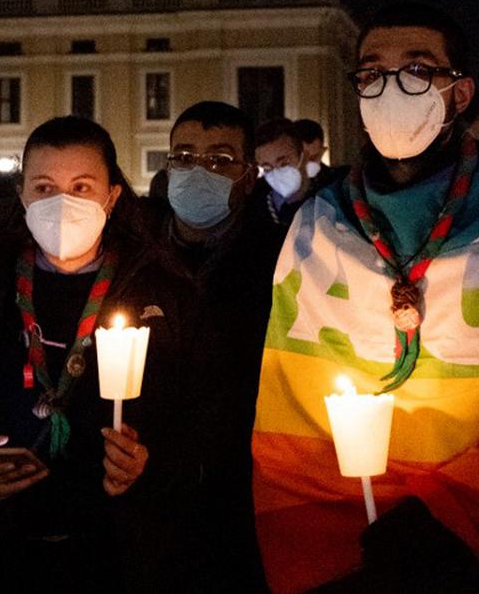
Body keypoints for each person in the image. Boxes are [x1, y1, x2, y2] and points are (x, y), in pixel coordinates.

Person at [251, 2, 479, 593]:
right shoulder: (318, 223)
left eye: (417, 70)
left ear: (460, 94)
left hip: (467, 548)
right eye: (371, 73)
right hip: (341, 537)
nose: (390, 88)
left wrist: (446, 517)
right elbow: (287, 395)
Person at [0, 116, 214, 592]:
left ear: (111, 198)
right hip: (2, 549)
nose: (62, 203)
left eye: (81, 187)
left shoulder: (162, 291)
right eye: (44, 187)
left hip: (116, 549)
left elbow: (198, 422)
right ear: (22, 196)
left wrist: (149, 465)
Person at [148, 99, 284, 591]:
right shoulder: (135, 256)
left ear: (248, 177)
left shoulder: (279, 262)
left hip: (242, 490)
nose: (198, 171)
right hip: (147, 486)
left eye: (220, 160)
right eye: (184, 157)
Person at [255, 117, 343, 226]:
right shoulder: (254, 202)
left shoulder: (331, 194)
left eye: (284, 164)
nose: (276, 172)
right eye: (267, 168)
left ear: (303, 157)